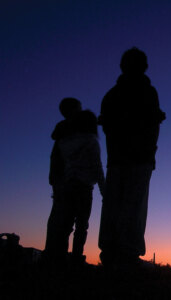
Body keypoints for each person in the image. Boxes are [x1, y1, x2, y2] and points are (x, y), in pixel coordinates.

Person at [98, 47, 165, 268]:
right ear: (144, 66)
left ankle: (110, 252)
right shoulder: (148, 92)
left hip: (116, 159)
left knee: (113, 206)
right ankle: (127, 255)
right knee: (134, 206)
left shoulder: (110, 95)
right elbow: (152, 126)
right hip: (138, 158)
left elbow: (108, 127)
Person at [44, 98, 105, 265]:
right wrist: (103, 189)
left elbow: (58, 160)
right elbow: (97, 167)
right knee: (81, 225)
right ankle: (76, 257)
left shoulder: (64, 141)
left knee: (65, 223)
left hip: (67, 184)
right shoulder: (91, 142)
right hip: (84, 187)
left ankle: (58, 257)